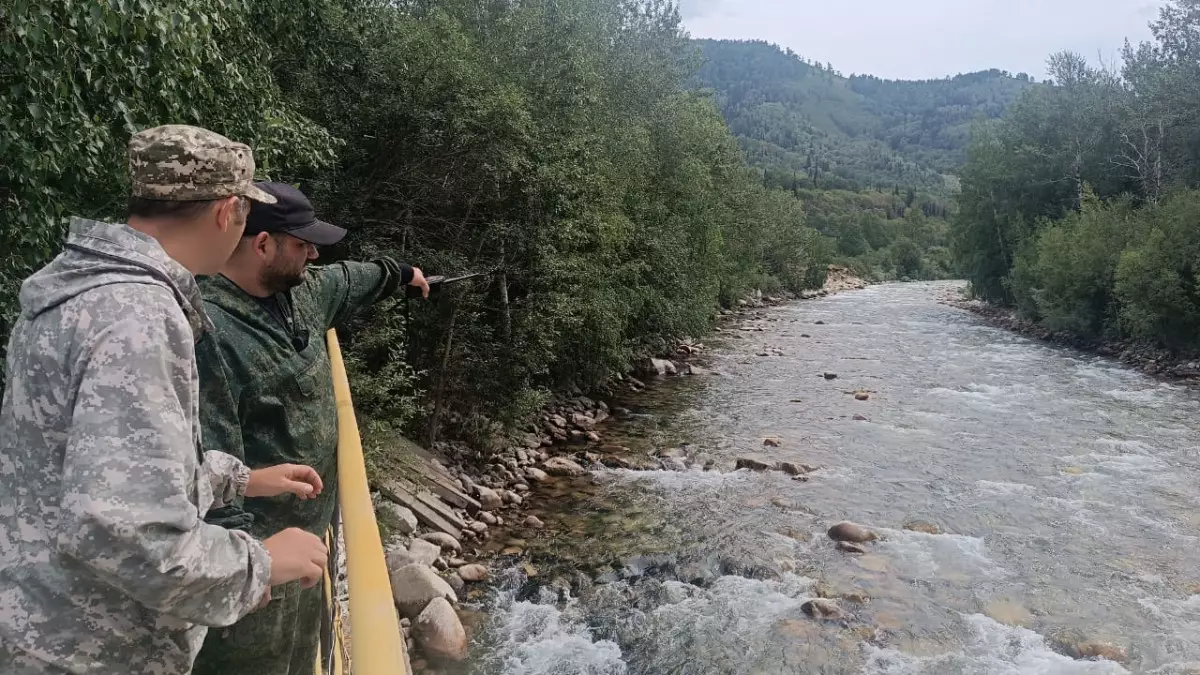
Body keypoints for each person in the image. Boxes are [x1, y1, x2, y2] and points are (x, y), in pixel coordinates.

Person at [0, 125, 332, 675]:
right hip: (93, 648)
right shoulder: (139, 318)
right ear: (229, 212)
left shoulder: (74, 287)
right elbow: (122, 528)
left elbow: (86, 467)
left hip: (40, 619)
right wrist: (257, 564)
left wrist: (236, 479)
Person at [191, 182, 428, 675]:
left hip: (310, 544)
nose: (314, 254)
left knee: (305, 654)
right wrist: (247, 575)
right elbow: (209, 462)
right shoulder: (210, 333)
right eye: (302, 244)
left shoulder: (301, 292)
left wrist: (402, 274)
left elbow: (351, 278)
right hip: (260, 557)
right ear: (262, 245)